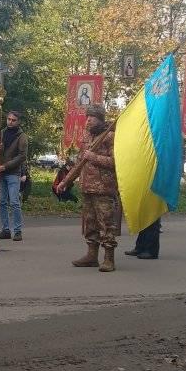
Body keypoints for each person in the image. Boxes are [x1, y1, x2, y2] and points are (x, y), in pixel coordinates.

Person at [57, 104, 118, 272]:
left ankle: (109, 259)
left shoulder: (110, 136)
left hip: (104, 188)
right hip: (87, 186)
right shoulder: (86, 135)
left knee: (106, 224)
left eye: (92, 117)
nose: (88, 120)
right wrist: (66, 181)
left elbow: (115, 162)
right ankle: (92, 256)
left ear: (100, 119)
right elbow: (79, 163)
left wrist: (94, 157)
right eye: (87, 117)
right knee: (89, 224)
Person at [0, 109, 28, 242]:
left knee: (14, 202)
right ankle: (5, 230)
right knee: (2, 202)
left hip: (12, 173)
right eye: (9, 119)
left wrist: (5, 166)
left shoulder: (22, 136)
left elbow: (22, 156)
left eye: (13, 120)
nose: (10, 122)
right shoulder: (0, 133)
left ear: (18, 122)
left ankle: (17, 231)